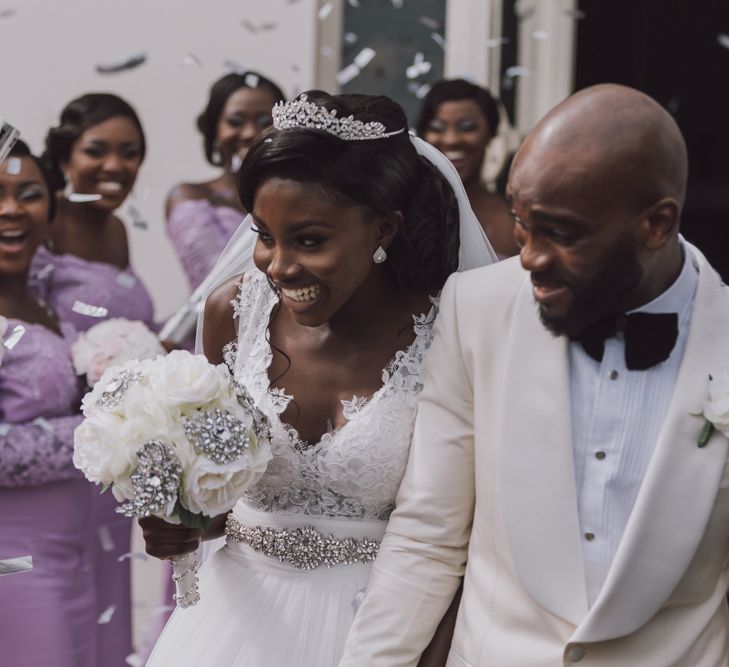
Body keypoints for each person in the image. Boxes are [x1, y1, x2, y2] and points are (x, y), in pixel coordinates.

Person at [340, 83, 729, 666]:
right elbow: (427, 537)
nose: (529, 257)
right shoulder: (477, 310)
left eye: (562, 234)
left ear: (656, 225)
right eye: (522, 226)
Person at [140, 91, 496, 667]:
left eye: (310, 241)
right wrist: (176, 521)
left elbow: (474, 532)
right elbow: (212, 501)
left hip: (383, 631)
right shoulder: (232, 313)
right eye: (264, 235)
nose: (279, 267)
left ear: (383, 228)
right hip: (233, 628)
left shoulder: (451, 329)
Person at [30, 92, 156, 665]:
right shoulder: (41, 226)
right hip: (70, 448)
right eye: (97, 151)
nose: (116, 165)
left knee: (110, 587)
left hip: (117, 456)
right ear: (64, 157)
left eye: (130, 153)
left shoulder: (115, 233)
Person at [0, 140, 96, 666]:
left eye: (29, 193)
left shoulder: (44, 301)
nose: (12, 209)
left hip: (68, 556)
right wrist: (102, 430)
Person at [166, 72, 285, 292]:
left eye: (265, 122)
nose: (250, 132)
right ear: (215, 129)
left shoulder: (294, 197)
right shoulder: (191, 197)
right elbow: (214, 281)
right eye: (235, 121)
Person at [417, 79, 518, 259]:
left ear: (490, 133)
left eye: (467, 127)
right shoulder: (403, 211)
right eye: (437, 127)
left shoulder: (513, 220)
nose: (451, 140)